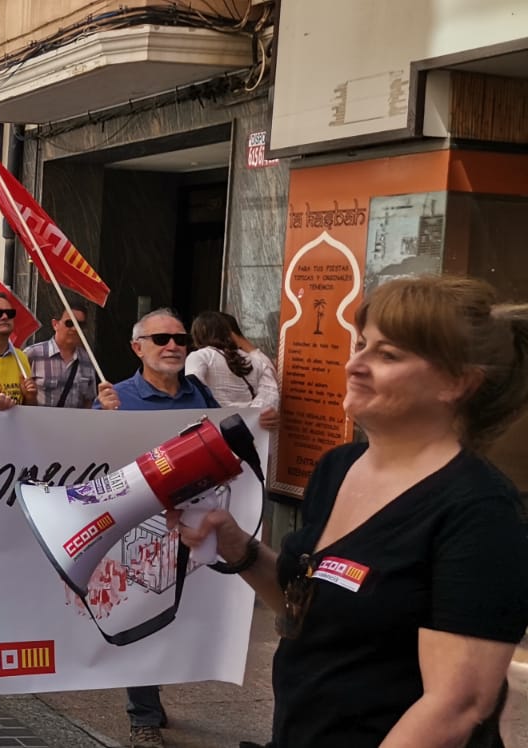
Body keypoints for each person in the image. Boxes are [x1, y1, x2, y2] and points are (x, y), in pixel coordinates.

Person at [176, 276, 528, 747]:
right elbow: (310, 607)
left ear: (458, 383)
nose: (355, 364)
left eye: (389, 355)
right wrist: (238, 546)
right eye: (362, 345)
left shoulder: (480, 510)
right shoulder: (336, 469)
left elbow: (456, 707)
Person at [93, 308, 214, 748]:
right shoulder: (115, 398)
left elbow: (223, 441)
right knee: (142, 616)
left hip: (194, 525)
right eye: (160, 338)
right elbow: (89, 458)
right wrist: (99, 421)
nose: (172, 346)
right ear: (136, 347)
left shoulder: (200, 394)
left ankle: (152, 694)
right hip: (139, 530)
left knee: (180, 616)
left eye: (180, 339)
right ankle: (142, 715)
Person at [24, 304, 116, 409]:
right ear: (55, 324)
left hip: (74, 424)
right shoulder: (32, 354)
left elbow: (88, 402)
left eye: (80, 325)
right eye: (69, 323)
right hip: (39, 423)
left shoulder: (88, 359)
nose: (75, 329)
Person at [185, 311, 279, 411]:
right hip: (246, 424)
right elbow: (270, 394)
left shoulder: (200, 356)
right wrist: (252, 415)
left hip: (214, 421)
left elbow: (193, 392)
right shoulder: (255, 360)